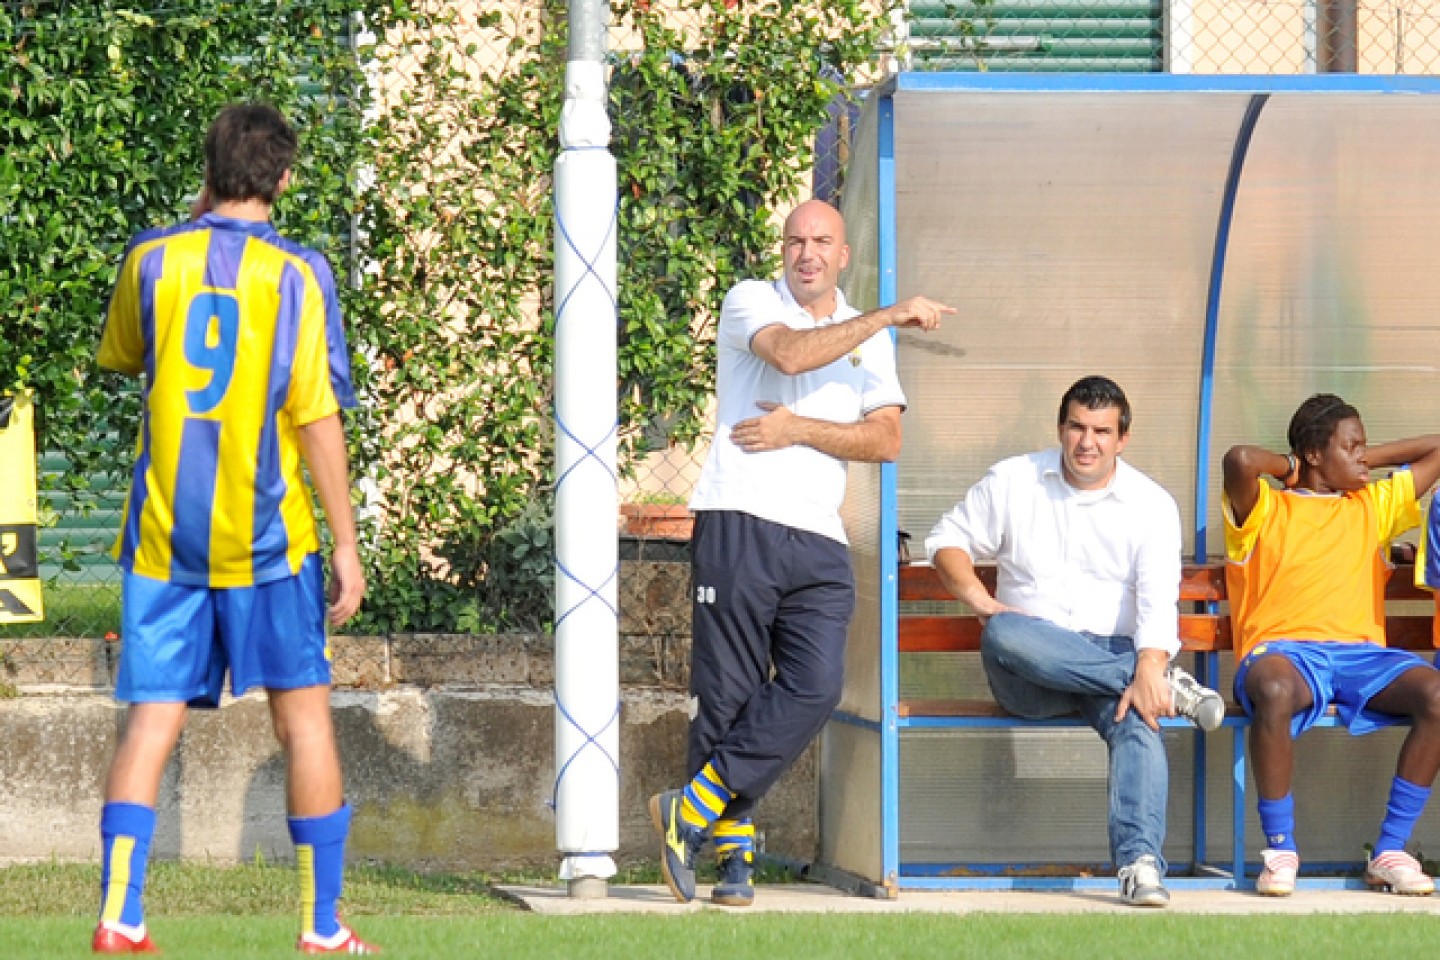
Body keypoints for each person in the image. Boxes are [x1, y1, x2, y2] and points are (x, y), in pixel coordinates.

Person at [91, 103, 376, 955]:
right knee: (307, 723)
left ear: (209, 171)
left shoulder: (151, 258)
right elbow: (318, 418)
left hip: (164, 540)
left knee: (150, 720)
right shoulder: (299, 274)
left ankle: (118, 918)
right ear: (285, 179)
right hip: (269, 542)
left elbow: (133, 355)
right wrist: (349, 545)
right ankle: (322, 930)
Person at [649, 199, 953, 906]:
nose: (806, 253)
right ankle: (731, 857)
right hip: (741, 518)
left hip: (818, 535)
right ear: (782, 250)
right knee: (727, 694)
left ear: (843, 255)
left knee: (816, 687)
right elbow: (787, 353)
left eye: (821, 242)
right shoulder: (751, 300)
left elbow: (886, 441)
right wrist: (886, 314)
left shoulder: (865, 338)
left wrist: (799, 428)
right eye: (795, 241)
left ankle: (687, 811)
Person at [925, 375, 1225, 908]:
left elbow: (1158, 602)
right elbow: (948, 539)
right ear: (1060, 429)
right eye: (1077, 427)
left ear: (1122, 438)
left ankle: (1139, 866)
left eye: (1101, 431)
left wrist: (1148, 664)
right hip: (1028, 670)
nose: (1087, 442)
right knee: (1004, 631)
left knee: (1137, 716)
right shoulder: (1016, 480)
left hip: (1113, 665)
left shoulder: (1150, 503)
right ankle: (1163, 685)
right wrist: (980, 600)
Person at [1222, 393, 1440, 897]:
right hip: (1284, 655)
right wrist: (1292, 467)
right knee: (1273, 688)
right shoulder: (1265, 506)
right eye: (1352, 445)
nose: (1363, 455)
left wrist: (1364, 460)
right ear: (1316, 454)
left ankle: (1389, 851)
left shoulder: (1372, 504)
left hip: (1361, 657)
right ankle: (1280, 851)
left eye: (1364, 445)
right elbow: (1240, 460)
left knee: (1435, 693)